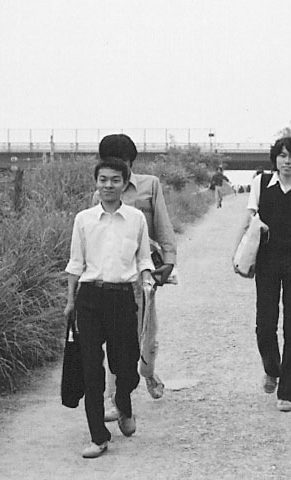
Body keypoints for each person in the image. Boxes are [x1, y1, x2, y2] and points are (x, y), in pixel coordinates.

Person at [64, 158, 156, 458]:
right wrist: (70, 302)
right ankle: (98, 437)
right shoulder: (84, 219)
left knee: (125, 366)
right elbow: (75, 264)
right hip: (89, 298)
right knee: (91, 369)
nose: (108, 185)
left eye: (115, 180)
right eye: (103, 179)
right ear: (96, 183)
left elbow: (143, 259)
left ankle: (123, 402)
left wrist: (147, 280)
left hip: (122, 298)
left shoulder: (136, 219)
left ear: (124, 183)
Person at [233, 136, 291, 412]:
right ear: (275, 159)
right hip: (267, 260)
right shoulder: (261, 184)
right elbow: (248, 220)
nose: (287, 161)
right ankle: (272, 368)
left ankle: (289, 393)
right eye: (282, 156)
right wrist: (237, 254)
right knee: (265, 324)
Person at [95, 134, 177, 421]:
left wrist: (169, 261)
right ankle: (113, 399)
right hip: (113, 277)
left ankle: (148, 372)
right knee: (115, 339)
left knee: (147, 339)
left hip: (145, 275)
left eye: (123, 162)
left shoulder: (150, 185)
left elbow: (163, 225)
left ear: (131, 163)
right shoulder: (101, 192)